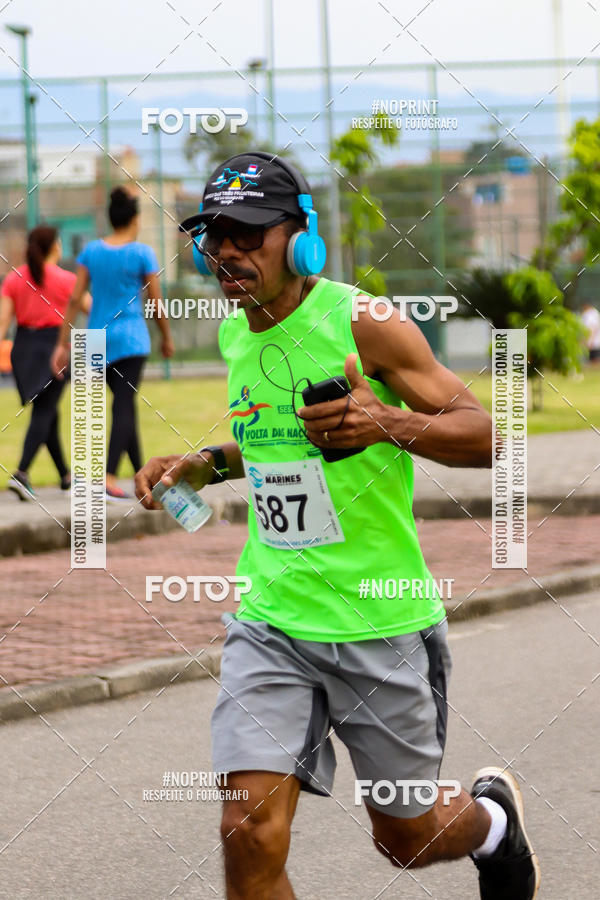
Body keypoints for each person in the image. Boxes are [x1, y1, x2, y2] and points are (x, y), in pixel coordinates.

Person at [135, 153, 540, 899]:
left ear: (300, 240)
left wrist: (385, 421)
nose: (227, 250)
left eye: (249, 233)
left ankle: (491, 824)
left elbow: (492, 437)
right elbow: (271, 442)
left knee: (407, 840)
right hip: (272, 617)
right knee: (247, 829)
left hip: (378, 620)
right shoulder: (236, 335)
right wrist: (207, 464)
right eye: (214, 234)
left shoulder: (363, 320)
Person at [51, 186, 174, 501]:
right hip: (131, 338)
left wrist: (63, 343)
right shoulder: (142, 253)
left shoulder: (91, 251)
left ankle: (141, 475)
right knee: (123, 404)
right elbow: (156, 303)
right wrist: (166, 337)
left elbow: (76, 298)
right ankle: (107, 477)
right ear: (134, 218)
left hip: (97, 340)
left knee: (124, 405)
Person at [0, 226, 88, 500]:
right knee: (45, 410)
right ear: (54, 247)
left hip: (24, 349)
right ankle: (22, 474)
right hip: (54, 348)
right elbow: (91, 308)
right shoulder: (66, 279)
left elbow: (3, 323)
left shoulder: (14, 279)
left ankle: (65, 476)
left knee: (47, 411)